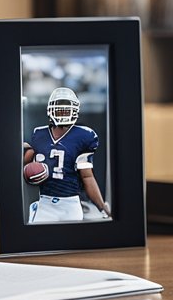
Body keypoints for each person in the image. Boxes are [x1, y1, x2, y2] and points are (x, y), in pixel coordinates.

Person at [23, 87, 111, 223]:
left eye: (67, 110)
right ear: (51, 110)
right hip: (46, 203)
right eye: (60, 110)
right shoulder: (38, 134)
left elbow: (87, 176)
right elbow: (26, 161)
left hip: (71, 203)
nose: (63, 114)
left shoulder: (84, 136)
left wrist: (101, 206)